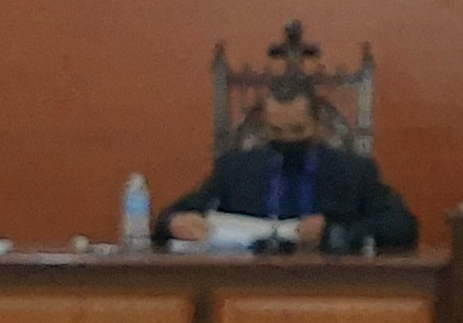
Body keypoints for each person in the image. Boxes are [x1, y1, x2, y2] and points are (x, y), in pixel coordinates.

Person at [161, 83, 420, 254]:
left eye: (297, 130)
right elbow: (170, 217)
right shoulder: (236, 168)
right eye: (276, 130)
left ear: (317, 125)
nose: (287, 139)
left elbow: (402, 227)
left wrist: (335, 233)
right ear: (263, 128)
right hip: (249, 281)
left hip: (327, 281)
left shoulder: (353, 171)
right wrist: (175, 223)